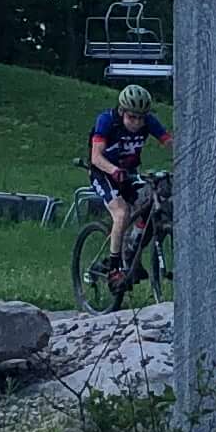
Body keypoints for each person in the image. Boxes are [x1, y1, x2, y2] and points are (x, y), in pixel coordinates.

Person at [84, 81, 169, 287]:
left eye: (141, 118)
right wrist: (113, 170)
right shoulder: (106, 121)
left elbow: (169, 142)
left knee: (152, 204)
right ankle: (114, 269)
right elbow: (96, 157)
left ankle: (131, 255)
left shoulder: (149, 122)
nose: (137, 123)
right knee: (121, 213)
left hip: (128, 173)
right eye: (132, 117)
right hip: (103, 171)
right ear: (122, 111)